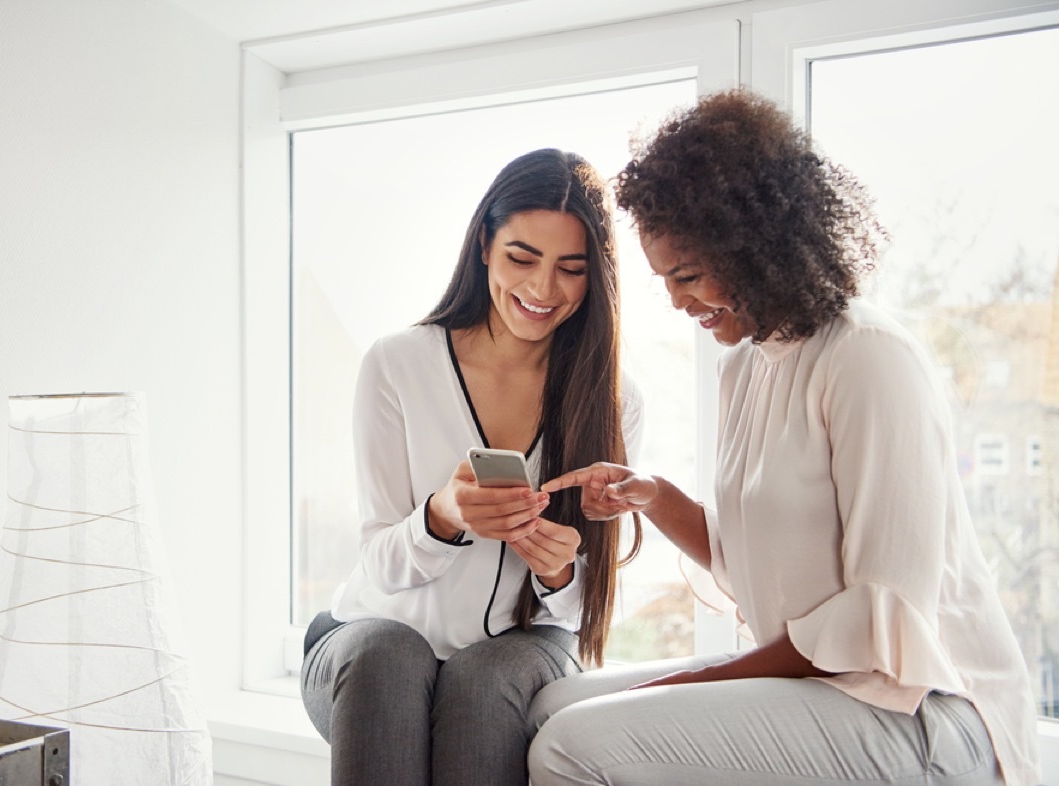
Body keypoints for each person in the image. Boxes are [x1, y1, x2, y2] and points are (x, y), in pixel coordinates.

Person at [527, 89, 1041, 786]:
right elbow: (762, 575)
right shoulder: (746, 368)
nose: (677, 302)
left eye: (688, 275)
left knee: (571, 743)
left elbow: (878, 615)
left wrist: (683, 689)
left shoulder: (868, 358)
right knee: (551, 705)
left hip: (926, 711)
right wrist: (654, 496)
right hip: (829, 683)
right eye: (664, 281)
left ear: (756, 246)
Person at [300, 148, 645, 786]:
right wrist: (441, 517)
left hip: (517, 653)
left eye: (571, 269)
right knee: (388, 655)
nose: (543, 290)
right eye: (522, 258)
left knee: (484, 683)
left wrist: (559, 567)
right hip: (370, 646)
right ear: (485, 242)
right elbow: (378, 559)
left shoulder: (613, 399)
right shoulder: (397, 364)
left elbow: (579, 608)